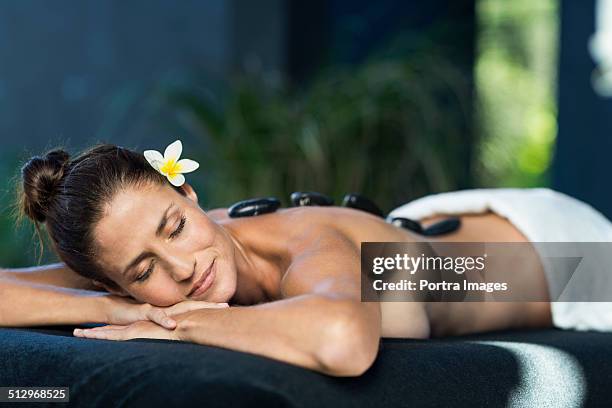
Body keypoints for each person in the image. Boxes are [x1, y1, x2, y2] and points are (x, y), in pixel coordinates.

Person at [0, 143, 580, 377]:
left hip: (560, 258)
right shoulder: (133, 256)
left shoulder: (306, 245)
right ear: (115, 281)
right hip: (425, 228)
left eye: (175, 227)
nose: (180, 268)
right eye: (143, 272)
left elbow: (343, 341)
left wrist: (185, 324)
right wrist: (119, 311)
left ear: (189, 196)